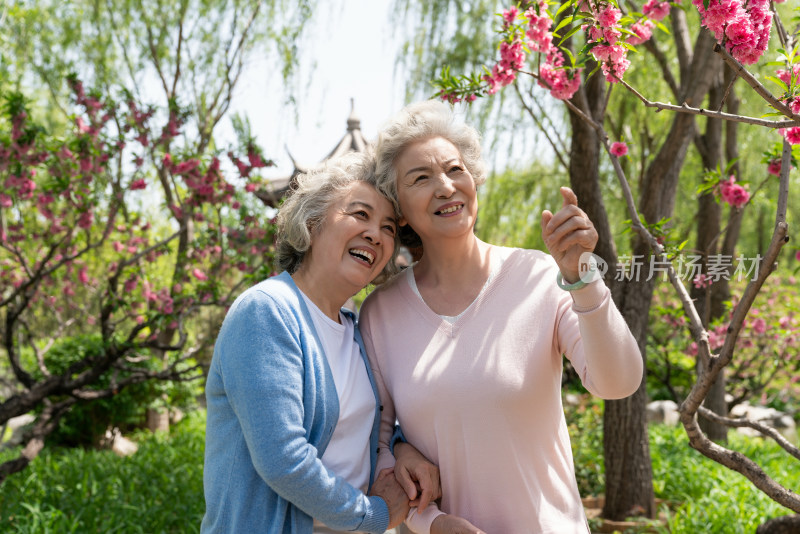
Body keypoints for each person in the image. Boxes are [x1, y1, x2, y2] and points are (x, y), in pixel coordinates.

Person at [359, 101, 644, 534]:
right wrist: (433, 523)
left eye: (455, 170)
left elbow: (618, 382)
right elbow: (375, 446)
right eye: (420, 178)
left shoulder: (539, 276)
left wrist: (582, 276)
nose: (445, 187)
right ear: (398, 209)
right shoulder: (381, 312)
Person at [201, 152, 440, 534]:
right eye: (360, 214)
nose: (376, 234)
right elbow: (284, 459)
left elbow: (367, 425)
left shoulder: (355, 328)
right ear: (312, 223)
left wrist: (400, 447)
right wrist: (373, 516)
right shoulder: (266, 312)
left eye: (388, 228)